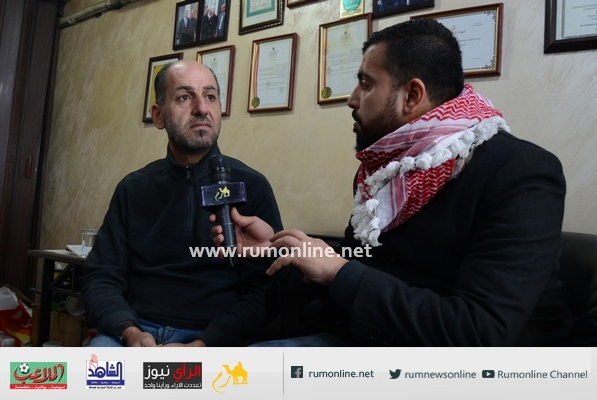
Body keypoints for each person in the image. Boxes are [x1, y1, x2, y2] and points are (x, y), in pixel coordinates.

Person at [212, 19, 570, 346]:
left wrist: (338, 271)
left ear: (412, 96)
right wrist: (278, 249)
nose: (352, 99)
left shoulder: (522, 172)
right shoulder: (383, 171)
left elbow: (478, 331)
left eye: (366, 84)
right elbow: (364, 266)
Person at [82, 60, 283, 347]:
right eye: (185, 97)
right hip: (138, 330)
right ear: (158, 115)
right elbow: (101, 277)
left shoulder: (251, 185)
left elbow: (266, 290)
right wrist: (129, 331)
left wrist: (202, 345)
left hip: (216, 338)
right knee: (97, 366)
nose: (202, 108)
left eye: (210, 96)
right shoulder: (133, 189)